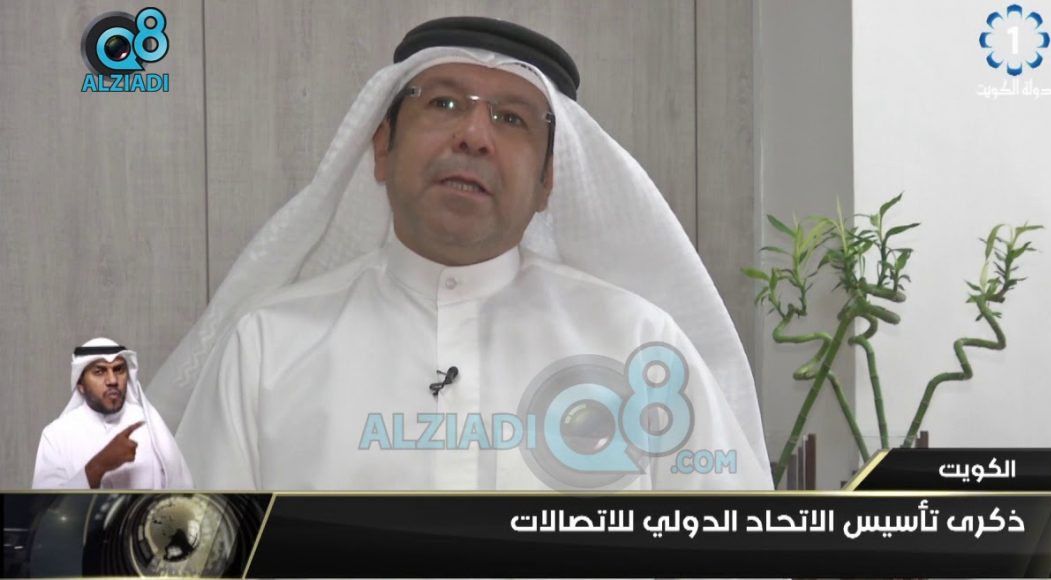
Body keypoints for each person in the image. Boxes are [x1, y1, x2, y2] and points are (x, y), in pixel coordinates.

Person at [150, 17, 772, 490]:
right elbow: (197, 555)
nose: (473, 136)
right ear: (382, 147)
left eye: (512, 119)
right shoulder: (266, 348)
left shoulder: (640, 346)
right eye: (443, 103)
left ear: (549, 182)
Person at [33, 338, 193, 489]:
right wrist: (99, 465)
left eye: (118, 370)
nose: (112, 380)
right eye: (99, 371)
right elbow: (48, 504)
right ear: (80, 383)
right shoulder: (57, 435)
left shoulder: (151, 427)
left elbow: (182, 494)